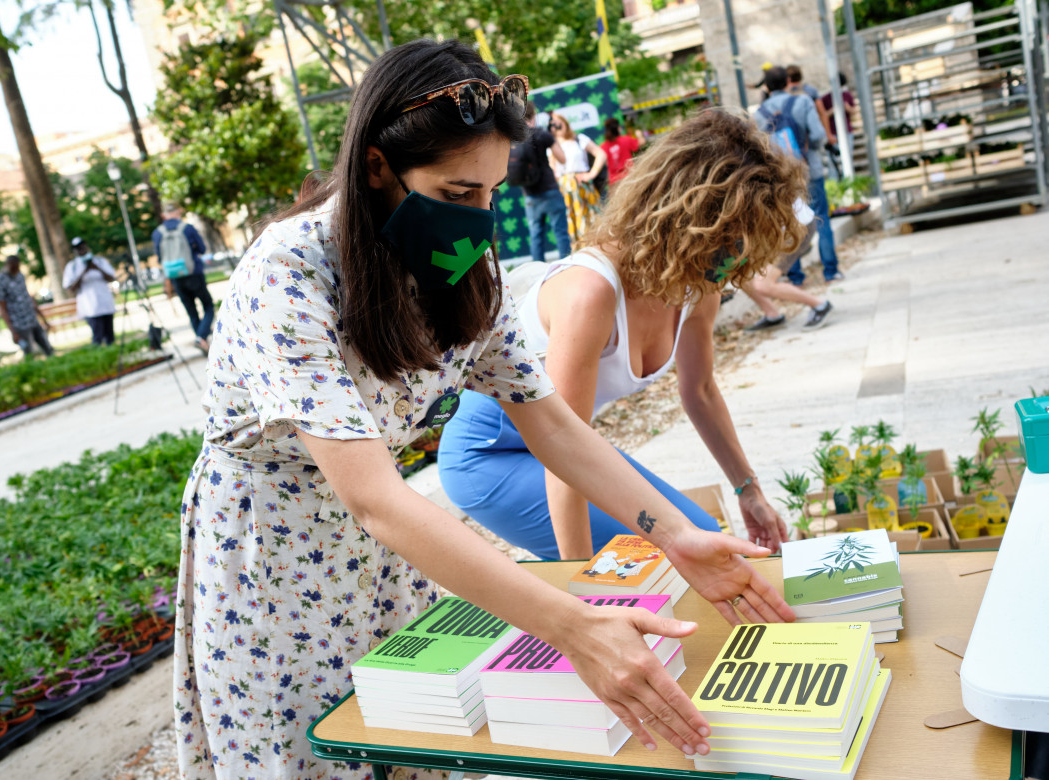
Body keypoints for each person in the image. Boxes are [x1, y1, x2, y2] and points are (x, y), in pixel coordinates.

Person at [173, 40, 794, 780]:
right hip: (272, 554)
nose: (479, 217)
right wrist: (573, 626)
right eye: (457, 192)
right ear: (377, 167)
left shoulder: (465, 262)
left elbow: (552, 421)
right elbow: (372, 496)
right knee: (307, 753)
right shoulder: (290, 271)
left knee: (420, 736)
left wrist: (676, 535)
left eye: (494, 191)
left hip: (391, 555)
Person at [438, 108, 803, 565]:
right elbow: (562, 450)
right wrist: (585, 590)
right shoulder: (589, 291)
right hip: (490, 456)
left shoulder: (696, 283)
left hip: (562, 443)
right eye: (728, 240)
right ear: (687, 218)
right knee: (682, 561)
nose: (734, 262)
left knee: (707, 539)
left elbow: (702, 391)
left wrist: (750, 491)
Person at [756, 66, 844, 285]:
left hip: (782, 179)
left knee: (788, 224)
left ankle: (795, 277)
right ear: (788, 81)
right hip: (809, 169)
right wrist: (804, 149)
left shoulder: (758, 114)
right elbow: (818, 136)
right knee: (821, 218)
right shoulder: (803, 102)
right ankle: (831, 272)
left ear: (766, 87)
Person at [739, 200, 834, 330]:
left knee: (763, 285)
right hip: (774, 230)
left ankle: (821, 306)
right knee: (738, 274)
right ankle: (773, 315)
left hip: (796, 228)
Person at [153, 203, 214, 352]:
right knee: (208, 305)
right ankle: (201, 338)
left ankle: (202, 340)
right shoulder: (187, 228)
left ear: (164, 215)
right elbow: (202, 248)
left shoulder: (157, 233)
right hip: (193, 273)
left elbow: (160, 257)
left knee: (191, 311)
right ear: (178, 212)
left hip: (175, 277)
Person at [517, 101, 571, 263]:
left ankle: (537, 272)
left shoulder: (515, 137)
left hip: (529, 194)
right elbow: (562, 159)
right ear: (534, 115)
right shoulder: (542, 134)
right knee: (560, 232)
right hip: (550, 190)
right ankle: (565, 266)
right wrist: (552, 138)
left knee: (535, 235)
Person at [547, 113, 606, 243]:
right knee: (571, 222)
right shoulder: (551, 146)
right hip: (564, 190)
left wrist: (592, 173)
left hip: (583, 186)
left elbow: (601, 153)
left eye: (559, 122)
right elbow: (553, 170)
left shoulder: (579, 139)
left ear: (565, 123)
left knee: (593, 218)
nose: (556, 125)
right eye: (553, 124)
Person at [0, 254, 54, 357]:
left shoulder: (19, 276)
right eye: (14, 266)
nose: (17, 269)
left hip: (31, 318)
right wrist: (12, 331)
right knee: (28, 352)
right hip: (18, 322)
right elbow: (2, 307)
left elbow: (28, 296)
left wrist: (43, 318)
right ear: (8, 265)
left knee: (47, 346)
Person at [61, 236, 117, 346]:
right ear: (75, 251)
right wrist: (84, 271)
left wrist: (96, 268)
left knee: (110, 336)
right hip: (90, 307)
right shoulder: (72, 266)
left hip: (106, 303)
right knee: (97, 336)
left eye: (83, 247)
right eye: (78, 248)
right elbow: (70, 288)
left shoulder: (100, 261)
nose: (82, 249)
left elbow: (112, 277)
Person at [820, 72, 857, 176]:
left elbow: (854, 111)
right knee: (833, 160)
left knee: (848, 158)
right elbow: (823, 115)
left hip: (846, 131)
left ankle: (849, 178)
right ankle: (835, 181)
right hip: (832, 132)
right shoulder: (826, 98)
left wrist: (847, 108)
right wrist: (833, 110)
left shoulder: (847, 95)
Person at [600, 116, 640, 187]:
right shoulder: (626, 140)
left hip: (614, 182)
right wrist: (639, 135)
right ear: (617, 128)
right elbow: (641, 143)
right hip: (630, 177)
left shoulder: (603, 147)